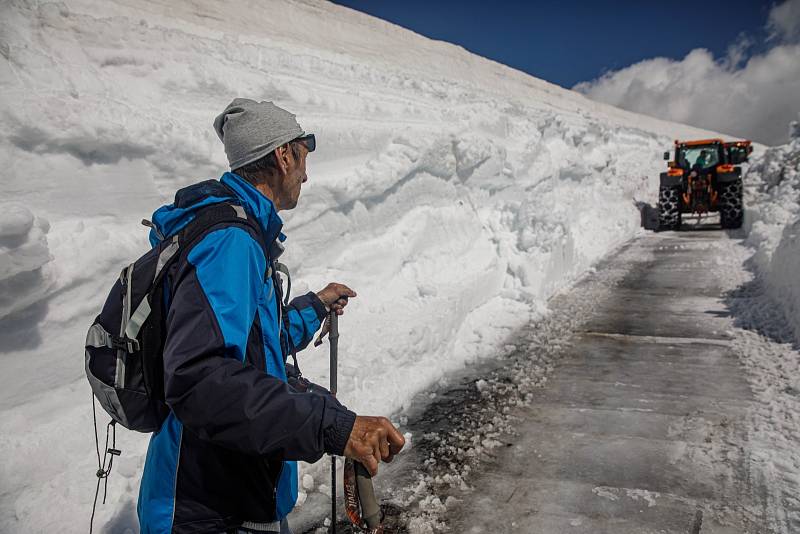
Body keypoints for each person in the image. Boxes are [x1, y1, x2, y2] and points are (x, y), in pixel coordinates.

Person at [137, 98, 405, 534]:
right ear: (283, 156)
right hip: (203, 504)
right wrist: (333, 427)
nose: (306, 172)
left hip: (231, 488)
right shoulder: (229, 242)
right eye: (304, 154)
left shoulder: (236, 234)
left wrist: (315, 306)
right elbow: (201, 379)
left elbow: (257, 348)